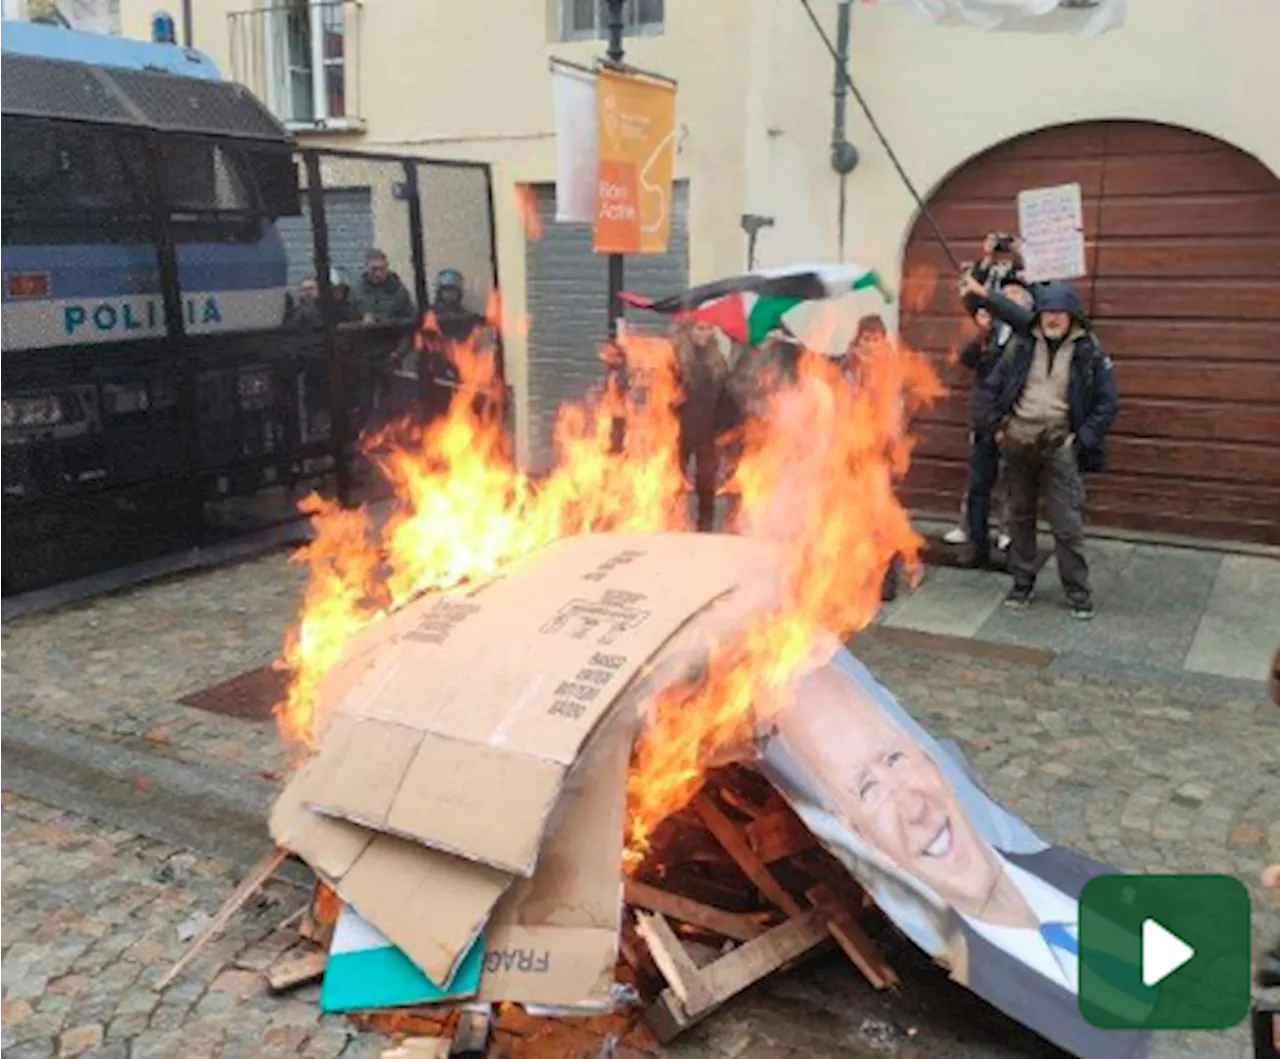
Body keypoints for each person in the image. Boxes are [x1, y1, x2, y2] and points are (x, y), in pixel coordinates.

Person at [770, 656, 1152, 1059]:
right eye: (868, 790)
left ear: (931, 759)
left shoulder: (1089, 882)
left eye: (894, 759)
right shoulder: (983, 971)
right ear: (852, 830)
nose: (914, 808)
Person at [966, 274, 1119, 619]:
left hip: (1059, 447)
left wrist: (1081, 442)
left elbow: (1107, 403)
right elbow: (989, 390)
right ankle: (1022, 584)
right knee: (1019, 517)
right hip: (1018, 443)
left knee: (1067, 524)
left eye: (1060, 312)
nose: (1053, 318)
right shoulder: (1020, 346)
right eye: (1047, 310)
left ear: (1072, 317)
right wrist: (996, 429)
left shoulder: (1088, 353)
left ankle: (1078, 592)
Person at [951, 274, 1035, 566]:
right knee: (978, 486)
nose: (1001, 303)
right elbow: (966, 359)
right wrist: (980, 333)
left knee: (1017, 488)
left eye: (1010, 298)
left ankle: (1014, 546)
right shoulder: (991, 329)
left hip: (1016, 422)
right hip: (986, 421)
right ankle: (977, 544)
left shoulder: (1030, 335)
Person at [673, 318, 730, 532]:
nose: (703, 334)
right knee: (672, 479)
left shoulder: (717, 361)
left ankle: (704, 527)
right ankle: (670, 522)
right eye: (699, 328)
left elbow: (725, 398)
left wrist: (724, 429)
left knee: (706, 484)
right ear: (690, 330)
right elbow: (666, 394)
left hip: (707, 431)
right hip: (679, 430)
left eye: (708, 329)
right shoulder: (677, 358)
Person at [354, 248, 416, 326]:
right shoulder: (356, 291)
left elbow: (411, 319)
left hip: (391, 335)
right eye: (374, 269)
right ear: (366, 268)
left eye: (382, 269)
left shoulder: (398, 291)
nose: (378, 274)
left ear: (387, 267)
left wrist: (381, 321)